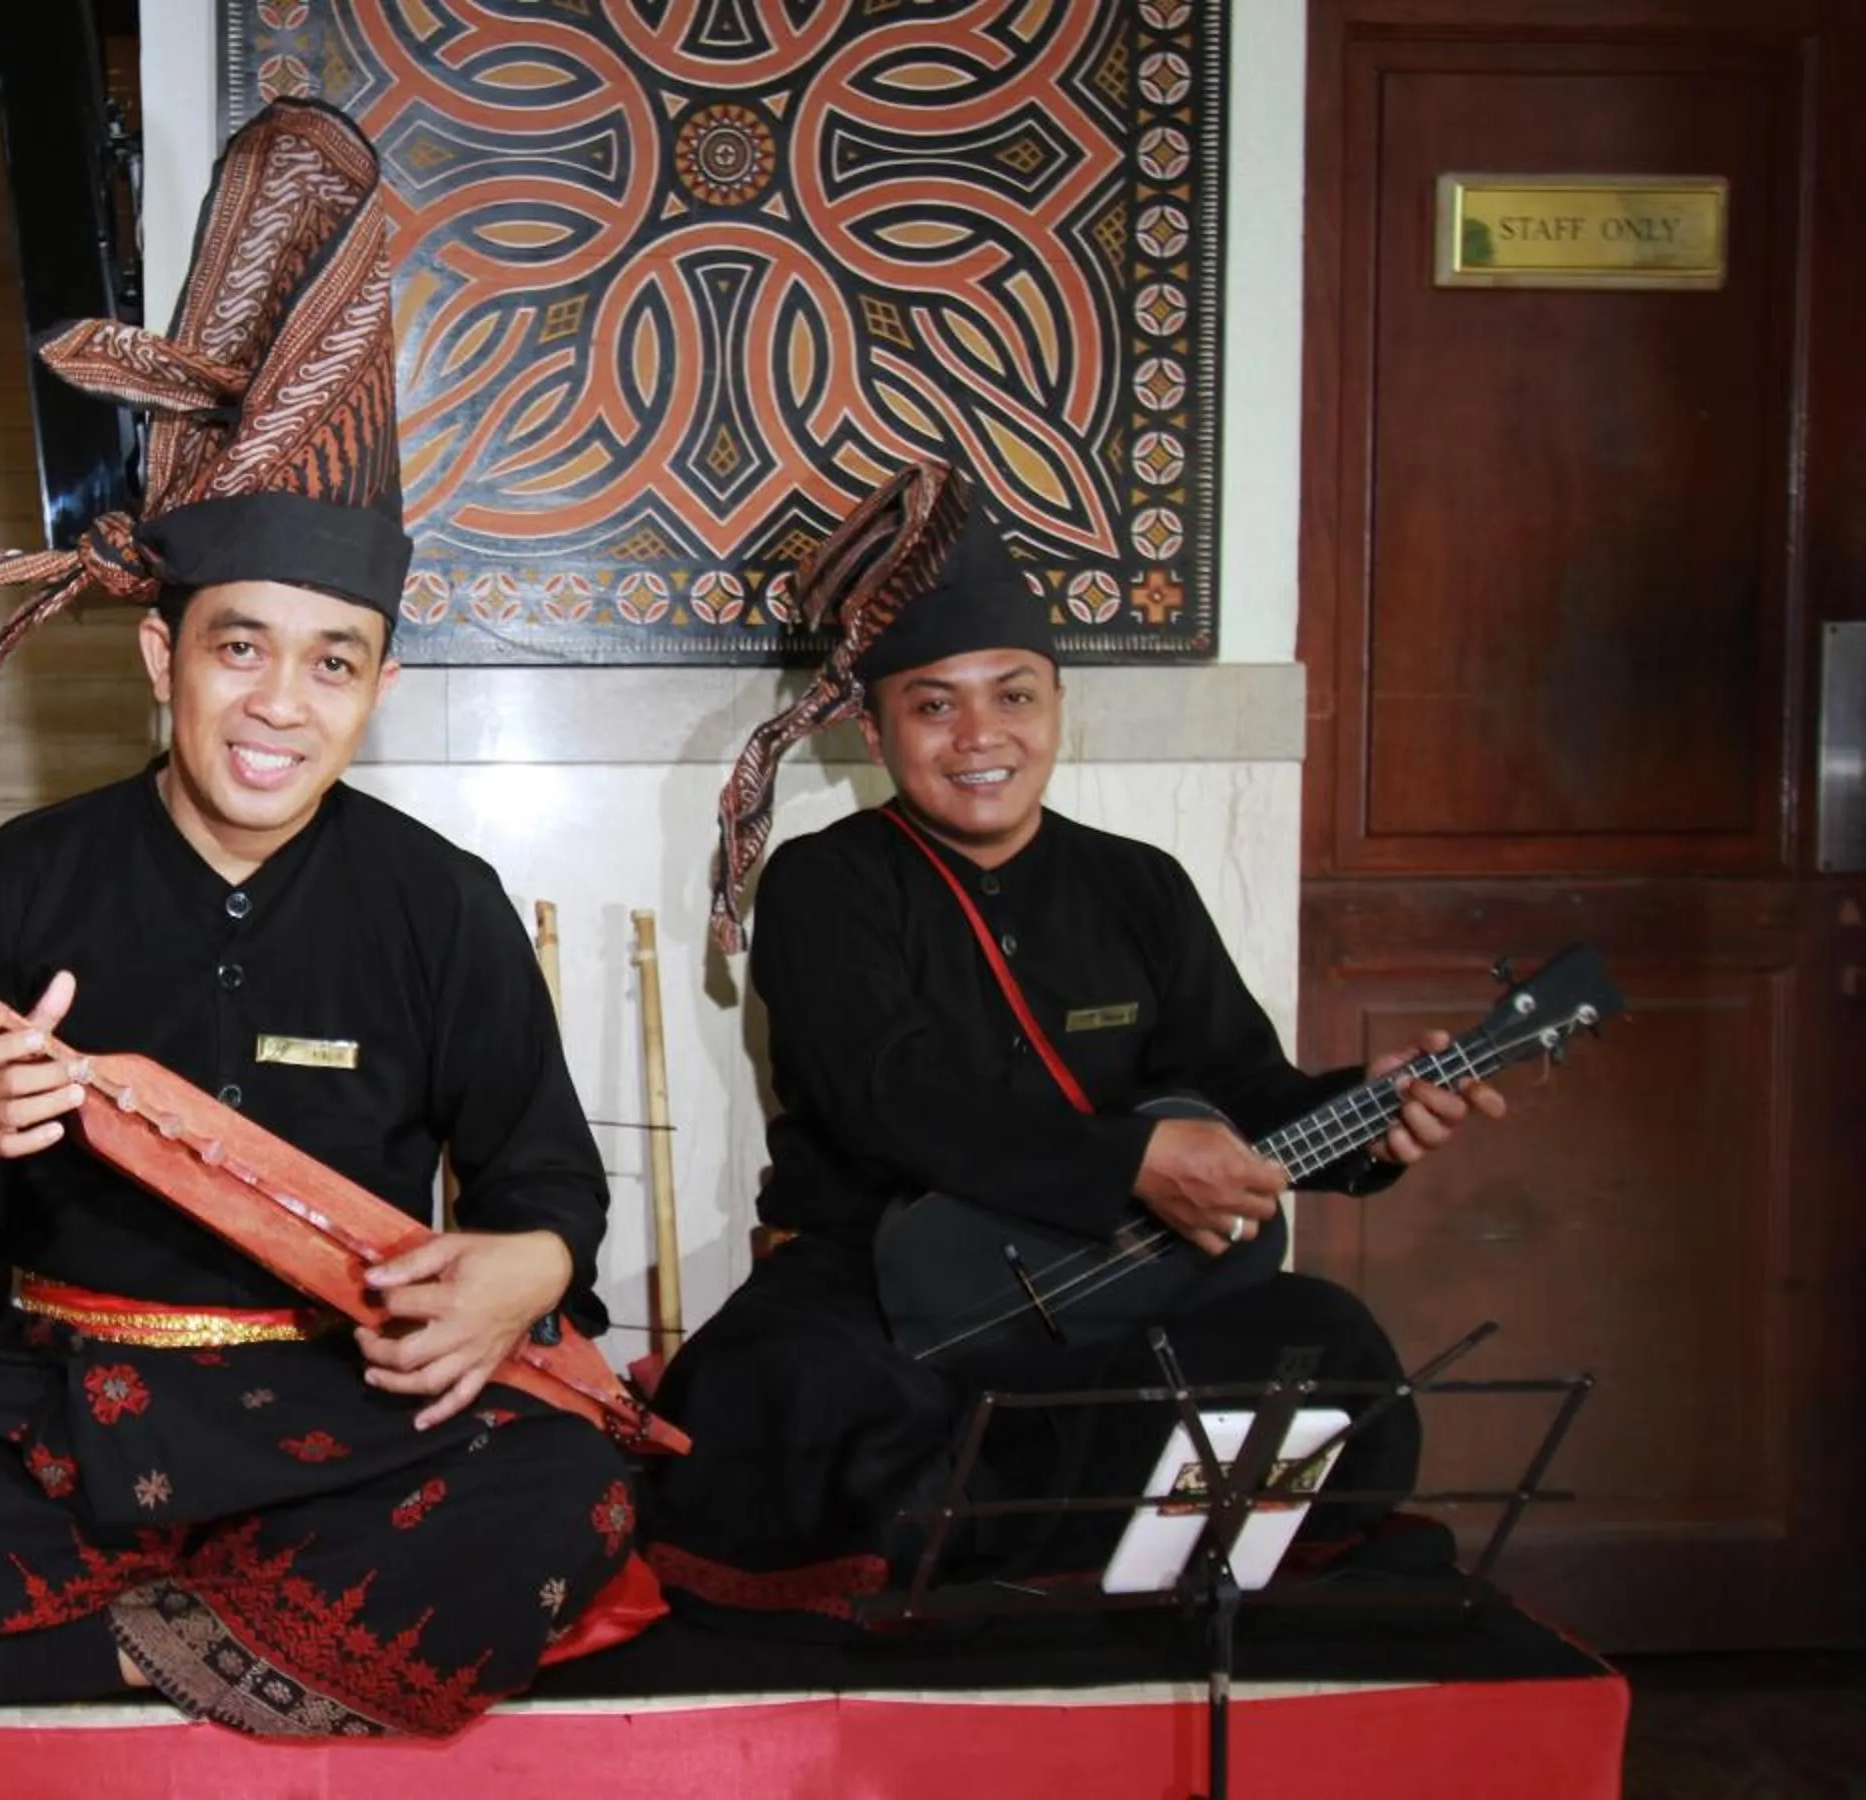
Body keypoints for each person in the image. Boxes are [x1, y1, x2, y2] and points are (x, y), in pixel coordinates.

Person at [0, 98, 637, 1741]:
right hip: (77, 1404)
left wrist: (522, 1271)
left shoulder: (440, 905)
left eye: (333, 661)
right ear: (162, 658)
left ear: (381, 688)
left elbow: (546, 1171)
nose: (282, 702)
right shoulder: (25, 879)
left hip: (352, 1409)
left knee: (573, 1473)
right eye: (239, 647)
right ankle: (246, 1637)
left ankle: (82, 1652)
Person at [645, 464, 1505, 1637]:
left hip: (1114, 1272)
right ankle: (1037, 1569)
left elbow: (1245, 1089)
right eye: (935, 704)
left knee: (1334, 1345)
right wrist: (1129, 1165)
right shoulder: (828, 882)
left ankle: (1030, 1559)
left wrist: (1372, 1117)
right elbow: (888, 1100)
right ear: (873, 723)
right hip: (883, 1281)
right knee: (791, 1399)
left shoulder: (1138, 885)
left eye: (1017, 696)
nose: (982, 737)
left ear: (1062, 705)